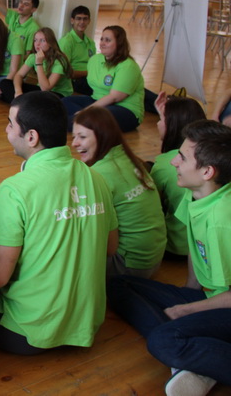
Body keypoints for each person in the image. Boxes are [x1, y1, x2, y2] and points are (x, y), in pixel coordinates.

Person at [0, 91, 118, 355]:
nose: (6, 130)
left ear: (32, 137)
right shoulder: (96, 178)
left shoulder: (14, 190)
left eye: (10, 124)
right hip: (86, 324)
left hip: (26, 333)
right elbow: (111, 247)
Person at [108, 121, 231, 396]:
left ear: (207, 172)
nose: (174, 161)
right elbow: (195, 247)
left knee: (163, 340)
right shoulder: (196, 193)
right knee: (118, 284)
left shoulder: (223, 220)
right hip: (211, 297)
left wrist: (187, 310)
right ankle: (196, 358)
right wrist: (188, 293)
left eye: (182, 158)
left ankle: (194, 355)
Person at [72, 107, 166, 278]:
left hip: (130, 267)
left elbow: (106, 245)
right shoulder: (127, 157)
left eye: (82, 137)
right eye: (74, 137)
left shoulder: (99, 174)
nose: (74, 143)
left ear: (102, 135)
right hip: (154, 259)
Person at [150, 93, 207, 257]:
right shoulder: (212, 155)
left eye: (161, 119)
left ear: (172, 126)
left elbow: (153, 206)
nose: (157, 123)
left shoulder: (165, 163)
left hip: (176, 246)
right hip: (203, 246)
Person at [62, 25, 145, 132]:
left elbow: (114, 97)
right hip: (98, 101)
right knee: (64, 102)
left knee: (95, 116)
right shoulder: (95, 60)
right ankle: (81, 121)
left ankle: (67, 124)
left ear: (119, 43)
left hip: (125, 109)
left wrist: (86, 111)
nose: (102, 43)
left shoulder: (128, 66)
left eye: (107, 40)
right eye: (102, 39)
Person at [0, 27, 73, 102]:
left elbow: (46, 88)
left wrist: (39, 63)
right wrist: (18, 91)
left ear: (50, 43)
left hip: (59, 95)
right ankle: (21, 102)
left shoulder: (59, 61)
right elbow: (19, 75)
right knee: (5, 83)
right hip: (40, 90)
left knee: (37, 98)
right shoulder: (33, 56)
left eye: (42, 40)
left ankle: (19, 102)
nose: (37, 44)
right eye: (35, 40)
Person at [58, 6, 95, 95]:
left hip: (89, 77)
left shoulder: (90, 42)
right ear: (72, 21)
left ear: (89, 21)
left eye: (85, 19)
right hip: (75, 81)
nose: (82, 22)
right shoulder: (67, 41)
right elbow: (65, 71)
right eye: (78, 19)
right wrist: (88, 73)